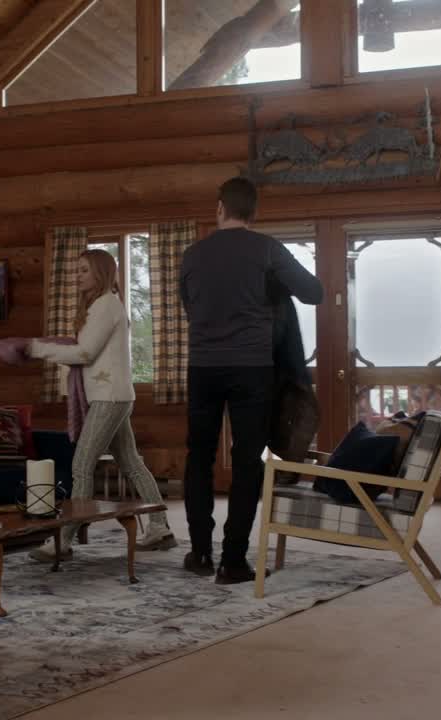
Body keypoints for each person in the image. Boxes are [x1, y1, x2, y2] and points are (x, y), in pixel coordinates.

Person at [180, 176, 324, 584]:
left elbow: (190, 305)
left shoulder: (192, 254)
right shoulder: (267, 249)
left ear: (220, 208)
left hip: (203, 368)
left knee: (199, 457)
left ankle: (200, 553)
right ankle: (233, 562)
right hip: (252, 369)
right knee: (247, 461)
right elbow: (313, 292)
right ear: (253, 213)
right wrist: (273, 285)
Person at [25, 249, 178, 561]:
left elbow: (85, 353)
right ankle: (160, 528)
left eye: (84, 270)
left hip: (110, 397)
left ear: (101, 273)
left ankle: (63, 540)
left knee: (81, 464)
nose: (77, 275)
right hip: (114, 395)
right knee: (131, 463)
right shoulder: (102, 305)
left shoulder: (107, 304)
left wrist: (36, 348)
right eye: (76, 270)